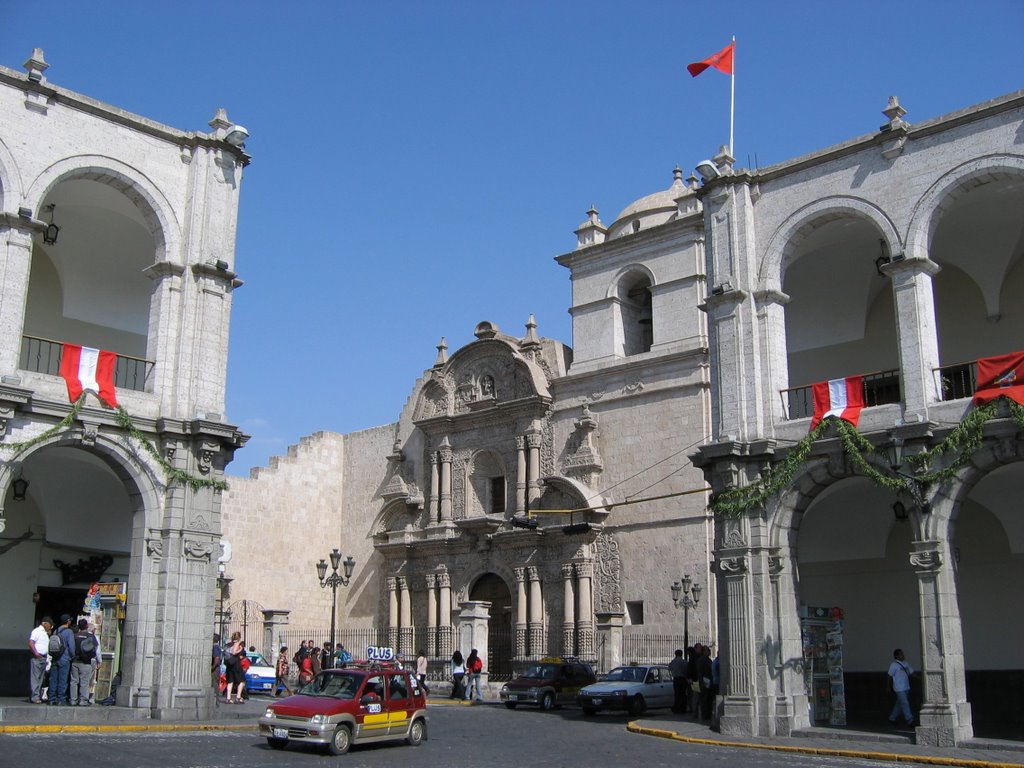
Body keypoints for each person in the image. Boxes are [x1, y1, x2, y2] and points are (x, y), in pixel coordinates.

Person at [70, 618, 99, 706]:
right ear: (86, 626)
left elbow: (71, 647)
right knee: (84, 682)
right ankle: (83, 700)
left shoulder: (74, 635)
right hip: (86, 662)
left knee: (74, 681)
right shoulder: (90, 636)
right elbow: (96, 648)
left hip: (75, 661)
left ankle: (73, 700)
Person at [50, 614, 75, 706]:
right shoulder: (69, 632)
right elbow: (71, 647)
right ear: (68, 621)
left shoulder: (55, 631)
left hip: (55, 657)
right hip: (64, 658)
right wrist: (72, 656)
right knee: (63, 680)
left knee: (53, 679)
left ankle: (52, 698)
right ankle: (61, 699)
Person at [28, 616, 53, 704]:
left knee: (40, 678)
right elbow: (31, 642)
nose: (51, 627)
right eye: (50, 625)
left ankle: (36, 695)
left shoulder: (45, 633)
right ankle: (34, 697)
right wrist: (36, 653)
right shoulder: (37, 631)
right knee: (35, 678)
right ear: (45, 624)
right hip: (37, 657)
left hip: (43, 658)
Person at [888, 648, 915, 727]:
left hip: (906, 687)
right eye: (901, 654)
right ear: (897, 656)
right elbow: (889, 676)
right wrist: (888, 687)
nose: (903, 655)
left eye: (902, 654)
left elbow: (912, 672)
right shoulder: (894, 665)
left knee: (899, 704)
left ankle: (892, 717)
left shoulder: (906, 663)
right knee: (905, 703)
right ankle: (910, 720)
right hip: (899, 688)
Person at [223, 631, 246, 703]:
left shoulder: (228, 644)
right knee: (241, 680)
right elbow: (234, 652)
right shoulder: (237, 643)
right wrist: (240, 649)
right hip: (236, 664)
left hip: (229, 664)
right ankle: (238, 697)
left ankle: (228, 698)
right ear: (239, 637)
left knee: (230, 681)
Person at [668, 648, 687, 714]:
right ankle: (683, 708)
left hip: (676, 679)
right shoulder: (684, 662)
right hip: (683, 679)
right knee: (683, 694)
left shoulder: (673, 661)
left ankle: (677, 708)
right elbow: (686, 670)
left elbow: (669, 668)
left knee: (677, 694)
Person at [698, 644, 714, 721]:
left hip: (709, 681)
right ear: (704, 652)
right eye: (708, 650)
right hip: (705, 682)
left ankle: (708, 713)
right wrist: (702, 682)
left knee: (708, 699)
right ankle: (705, 714)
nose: (709, 652)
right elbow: (700, 672)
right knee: (704, 699)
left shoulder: (708, 660)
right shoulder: (702, 660)